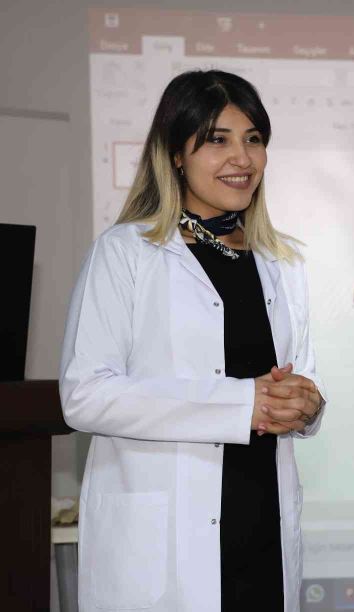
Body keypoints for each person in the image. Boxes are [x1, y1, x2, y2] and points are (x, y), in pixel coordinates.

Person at [59, 70, 326, 612]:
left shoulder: (282, 262)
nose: (242, 158)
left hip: (262, 531)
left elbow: (296, 381)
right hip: (163, 549)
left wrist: (307, 405)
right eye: (217, 140)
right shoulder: (126, 252)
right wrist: (242, 403)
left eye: (253, 139)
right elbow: (84, 395)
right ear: (176, 154)